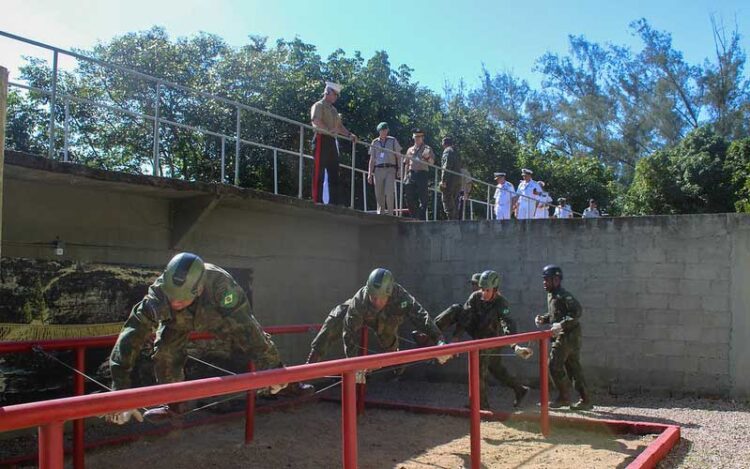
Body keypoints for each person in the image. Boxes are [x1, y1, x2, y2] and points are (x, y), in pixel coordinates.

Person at [105, 253, 313, 424]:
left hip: (218, 317)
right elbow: (131, 335)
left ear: (200, 288)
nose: (175, 302)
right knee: (164, 354)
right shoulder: (159, 295)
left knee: (254, 342)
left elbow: (248, 327)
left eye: (181, 298)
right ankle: (174, 406)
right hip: (178, 323)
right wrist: (120, 392)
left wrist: (273, 369)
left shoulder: (221, 286)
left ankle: (290, 385)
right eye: (172, 297)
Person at [435, 270, 532, 409]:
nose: (484, 293)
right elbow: (465, 317)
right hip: (478, 332)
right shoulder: (475, 297)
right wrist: (456, 339)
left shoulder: (501, 302)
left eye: (488, 290)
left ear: (495, 290)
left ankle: (483, 404)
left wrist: (515, 346)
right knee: (457, 309)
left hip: (492, 339)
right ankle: (431, 333)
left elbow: (507, 322)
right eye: (482, 289)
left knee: (484, 367)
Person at [342, 268, 450, 370]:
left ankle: (398, 366)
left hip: (386, 324)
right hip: (363, 318)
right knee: (335, 317)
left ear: (389, 294)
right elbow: (348, 331)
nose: (377, 302)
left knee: (391, 350)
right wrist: (353, 366)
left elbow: (420, 316)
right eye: (373, 297)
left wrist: (439, 340)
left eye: (382, 298)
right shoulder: (359, 299)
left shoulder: (401, 296)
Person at [534, 265, 592, 410]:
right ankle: (585, 400)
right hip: (565, 335)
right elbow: (557, 314)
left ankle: (564, 397)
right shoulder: (552, 295)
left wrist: (562, 324)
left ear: (556, 280)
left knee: (554, 365)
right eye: (544, 279)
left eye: (547, 280)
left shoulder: (563, 295)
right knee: (573, 368)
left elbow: (577, 312)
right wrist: (544, 319)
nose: (544, 283)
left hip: (567, 336)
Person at [310, 81, 357, 206]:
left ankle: (334, 202)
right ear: (328, 92)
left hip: (331, 141)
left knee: (334, 171)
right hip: (321, 138)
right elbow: (316, 121)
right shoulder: (318, 105)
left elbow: (339, 126)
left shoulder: (334, 110)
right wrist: (328, 130)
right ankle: (317, 200)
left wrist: (349, 134)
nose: (336, 97)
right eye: (335, 94)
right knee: (318, 170)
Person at [368, 122, 402, 215]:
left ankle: (390, 213)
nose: (384, 132)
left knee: (389, 191)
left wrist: (399, 169)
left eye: (385, 130)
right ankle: (381, 212)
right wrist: (369, 174)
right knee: (379, 192)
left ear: (387, 130)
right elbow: (372, 159)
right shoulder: (375, 142)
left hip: (390, 168)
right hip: (378, 169)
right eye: (382, 130)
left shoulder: (393, 140)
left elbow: (398, 156)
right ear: (379, 131)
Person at [403, 129, 436, 220]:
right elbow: (406, 163)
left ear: (422, 138)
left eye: (419, 137)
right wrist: (405, 176)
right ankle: (414, 216)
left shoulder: (427, 149)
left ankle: (420, 218)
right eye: (415, 137)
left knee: (423, 198)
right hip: (411, 174)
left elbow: (432, 163)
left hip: (422, 174)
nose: (417, 139)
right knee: (408, 196)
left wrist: (427, 157)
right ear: (413, 138)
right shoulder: (410, 149)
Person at [439, 137, 462, 220]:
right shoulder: (456, 152)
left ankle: (451, 220)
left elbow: (446, 166)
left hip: (450, 180)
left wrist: (443, 180)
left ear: (444, 143)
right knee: (455, 201)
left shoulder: (447, 151)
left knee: (447, 199)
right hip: (458, 180)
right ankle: (455, 220)